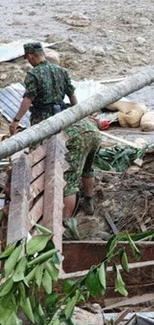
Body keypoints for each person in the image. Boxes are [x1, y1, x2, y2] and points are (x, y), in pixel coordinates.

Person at [10, 42, 99, 216]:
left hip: (52, 125)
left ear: (30, 57)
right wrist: (78, 114)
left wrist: (15, 120)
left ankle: (64, 223)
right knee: (87, 167)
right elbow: (72, 95)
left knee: (68, 179)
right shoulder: (61, 71)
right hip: (84, 127)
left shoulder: (33, 74)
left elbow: (28, 99)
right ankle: (88, 201)